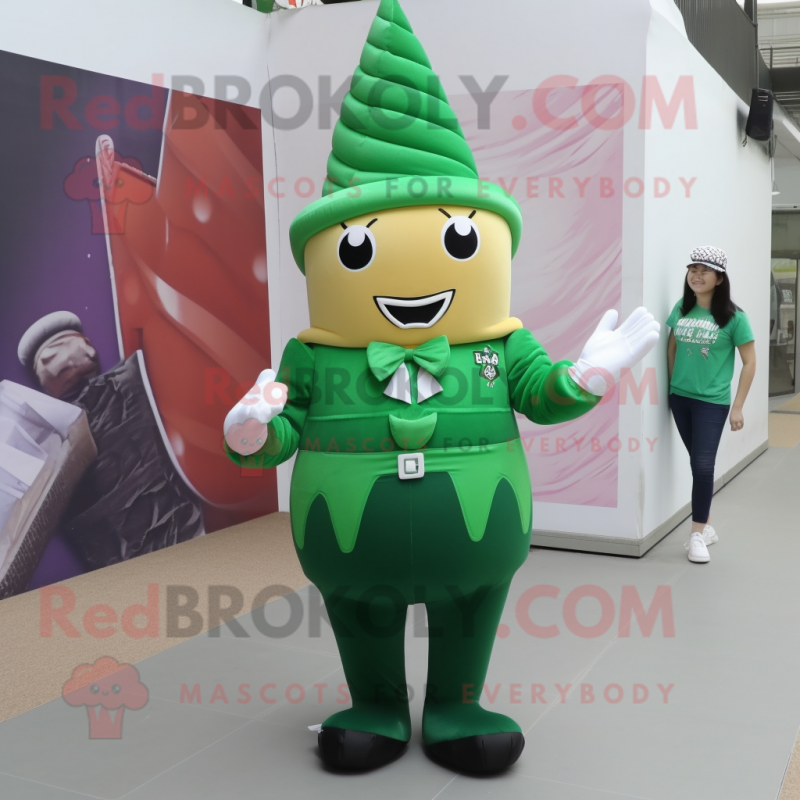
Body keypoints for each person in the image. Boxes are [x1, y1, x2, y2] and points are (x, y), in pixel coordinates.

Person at [667, 247, 756, 564]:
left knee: (703, 466)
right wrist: (672, 385)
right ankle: (706, 527)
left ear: (719, 278)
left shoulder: (735, 317)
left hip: (712, 402)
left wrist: (738, 407)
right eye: (693, 269)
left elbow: (749, 362)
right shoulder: (681, 309)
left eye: (705, 270)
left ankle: (696, 535)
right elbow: (672, 346)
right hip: (680, 399)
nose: (697, 275)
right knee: (697, 463)